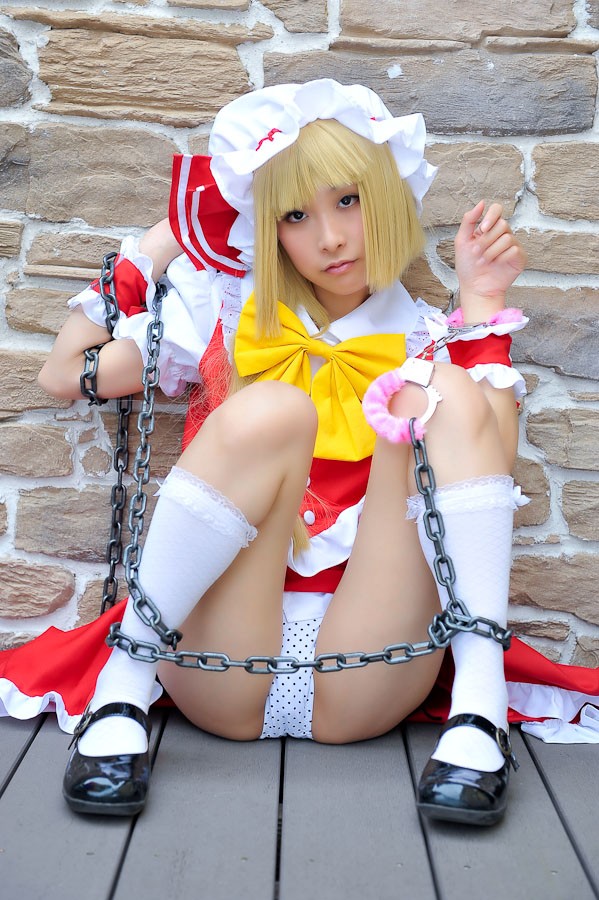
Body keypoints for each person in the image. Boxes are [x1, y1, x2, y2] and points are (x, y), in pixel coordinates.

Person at [34, 79, 530, 824]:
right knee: (274, 407)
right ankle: (121, 694)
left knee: (438, 388)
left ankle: (480, 713)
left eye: (348, 201)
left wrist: (482, 304)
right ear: (267, 230)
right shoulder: (223, 315)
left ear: (385, 199)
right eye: (294, 214)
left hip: (370, 667)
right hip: (216, 660)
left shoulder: (429, 338)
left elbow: (493, 460)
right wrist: (170, 235)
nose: (329, 238)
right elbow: (63, 374)